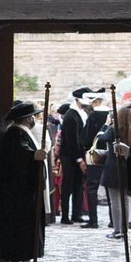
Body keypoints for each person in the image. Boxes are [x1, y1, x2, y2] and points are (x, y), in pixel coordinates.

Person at [0, 100, 48, 262]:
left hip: (22, 191)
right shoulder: (15, 133)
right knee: (25, 230)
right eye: (33, 116)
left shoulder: (20, 132)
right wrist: (34, 155)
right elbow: (19, 156)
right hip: (21, 193)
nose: (35, 119)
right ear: (27, 119)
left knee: (20, 230)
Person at [100, 90, 131, 241]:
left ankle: (118, 230)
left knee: (115, 201)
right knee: (124, 201)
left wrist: (105, 125)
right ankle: (124, 229)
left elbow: (101, 138)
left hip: (113, 168)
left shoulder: (113, 129)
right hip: (127, 168)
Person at [58, 87, 92, 224]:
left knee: (78, 184)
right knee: (68, 185)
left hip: (79, 152)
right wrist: (79, 159)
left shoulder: (83, 113)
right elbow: (72, 140)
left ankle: (76, 214)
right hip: (69, 155)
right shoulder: (71, 115)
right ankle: (65, 216)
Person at [80, 90, 112, 229]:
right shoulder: (111, 114)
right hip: (110, 154)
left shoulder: (93, 116)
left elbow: (86, 137)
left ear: (96, 102)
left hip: (95, 155)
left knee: (92, 187)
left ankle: (93, 220)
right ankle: (113, 220)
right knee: (111, 189)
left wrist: (86, 145)